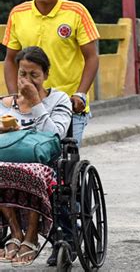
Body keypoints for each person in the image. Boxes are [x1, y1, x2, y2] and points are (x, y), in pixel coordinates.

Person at [1, 0, 99, 147]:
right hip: (26, 104)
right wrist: (14, 96)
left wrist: (81, 94)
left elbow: (92, 57)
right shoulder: (17, 14)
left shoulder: (77, 12)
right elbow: (10, 59)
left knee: (61, 160)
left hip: (68, 104)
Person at [0, 46, 72, 266]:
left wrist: (36, 104)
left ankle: (31, 234)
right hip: (7, 158)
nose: (27, 80)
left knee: (32, 172)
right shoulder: (5, 104)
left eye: (34, 75)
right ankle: (15, 232)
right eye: (23, 74)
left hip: (46, 164)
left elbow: (56, 136)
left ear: (46, 75)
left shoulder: (59, 100)